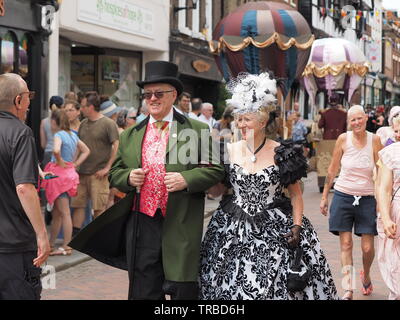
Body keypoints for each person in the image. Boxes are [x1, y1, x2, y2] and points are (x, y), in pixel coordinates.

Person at [69, 60, 225, 300]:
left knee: (182, 291)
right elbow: (116, 172)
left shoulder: (196, 130)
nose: (152, 99)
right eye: (148, 94)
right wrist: (128, 177)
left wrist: (186, 178)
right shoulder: (132, 133)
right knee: (144, 290)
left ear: (174, 95)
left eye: (159, 93)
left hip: (180, 222)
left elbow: (215, 169)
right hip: (142, 224)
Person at [200, 72, 338, 300]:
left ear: (262, 121)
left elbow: (295, 196)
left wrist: (296, 227)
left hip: (275, 226)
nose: (241, 124)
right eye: (239, 119)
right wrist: (207, 177)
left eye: (247, 119)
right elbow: (218, 192)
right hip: (232, 228)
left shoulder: (282, 153)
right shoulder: (227, 150)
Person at [320, 105, 383, 300]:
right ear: (349, 122)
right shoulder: (343, 139)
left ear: (365, 118)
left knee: (367, 248)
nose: (356, 123)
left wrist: (381, 201)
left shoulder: (375, 140)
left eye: (359, 118)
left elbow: (381, 173)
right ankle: (348, 287)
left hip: (367, 198)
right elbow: (332, 169)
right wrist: (324, 197)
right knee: (346, 244)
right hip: (343, 195)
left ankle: (366, 274)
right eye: (352, 120)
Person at [0, 73, 50, 299]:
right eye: (29, 95)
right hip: (14, 243)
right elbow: (25, 188)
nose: (30, 102)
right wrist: (42, 234)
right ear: (19, 100)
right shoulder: (20, 132)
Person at [42, 109, 90, 256]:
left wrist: (59, 162)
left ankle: (65, 247)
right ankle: (51, 244)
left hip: (58, 177)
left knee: (64, 212)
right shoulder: (72, 135)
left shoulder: (58, 135)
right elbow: (86, 150)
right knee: (58, 212)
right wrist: (74, 164)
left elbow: (56, 150)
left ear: (54, 122)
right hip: (68, 175)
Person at [70, 91, 119, 234]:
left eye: (83, 106)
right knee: (78, 206)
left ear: (91, 107)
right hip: (82, 173)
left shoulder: (108, 123)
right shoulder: (83, 123)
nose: (81, 109)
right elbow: (79, 147)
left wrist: (107, 168)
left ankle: (99, 239)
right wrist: (73, 164)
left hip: (99, 174)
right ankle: (75, 239)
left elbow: (116, 147)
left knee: (99, 208)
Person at [376, 139, 400, 300]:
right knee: (394, 261)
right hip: (396, 213)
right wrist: (385, 218)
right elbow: (384, 189)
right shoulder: (391, 152)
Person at [40, 95, 64, 168]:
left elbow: (43, 144)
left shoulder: (44, 122)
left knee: (49, 178)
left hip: (48, 154)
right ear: (62, 106)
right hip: (62, 154)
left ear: (49, 107)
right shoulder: (65, 121)